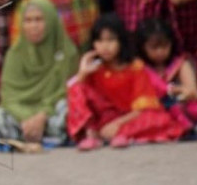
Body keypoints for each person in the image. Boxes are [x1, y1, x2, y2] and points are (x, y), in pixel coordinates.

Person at [68, 14, 185, 151]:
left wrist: (117, 124)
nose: (105, 46)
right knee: (76, 88)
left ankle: (120, 134)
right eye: (99, 41)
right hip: (102, 120)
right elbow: (76, 96)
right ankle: (91, 136)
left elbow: (142, 108)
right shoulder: (94, 68)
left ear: (121, 41)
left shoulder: (135, 67)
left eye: (111, 40)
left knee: (161, 120)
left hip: (130, 118)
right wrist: (82, 73)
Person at [0, 0, 78, 151]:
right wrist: (28, 119)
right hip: (21, 121)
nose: (33, 26)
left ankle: (36, 138)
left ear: (51, 21)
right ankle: (29, 137)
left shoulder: (67, 52)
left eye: (39, 20)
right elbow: (9, 97)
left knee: (67, 108)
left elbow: (66, 91)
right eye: (28, 20)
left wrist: (42, 116)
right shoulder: (15, 54)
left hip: (50, 117)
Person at [135, 18, 197, 132]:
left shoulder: (180, 64)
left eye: (164, 46)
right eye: (154, 47)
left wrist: (176, 91)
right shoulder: (139, 67)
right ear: (142, 47)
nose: (160, 52)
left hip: (179, 108)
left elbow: (192, 90)